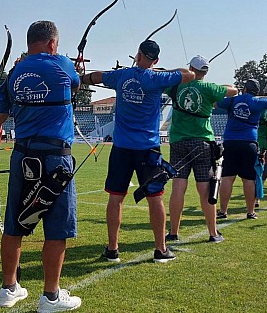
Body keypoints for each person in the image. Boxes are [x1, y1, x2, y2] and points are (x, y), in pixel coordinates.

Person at [0, 21, 81, 311]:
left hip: (22, 156)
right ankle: (51, 296)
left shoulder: (14, 74)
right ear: (52, 43)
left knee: (14, 224)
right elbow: (75, 83)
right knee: (57, 228)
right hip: (55, 158)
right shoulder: (61, 63)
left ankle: (8, 289)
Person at [80, 40, 195, 263]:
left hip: (122, 147)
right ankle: (160, 249)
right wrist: (157, 70)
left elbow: (95, 77)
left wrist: (80, 78)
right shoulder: (157, 78)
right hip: (147, 150)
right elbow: (188, 74)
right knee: (155, 198)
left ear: (137, 55)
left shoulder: (121, 75)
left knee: (116, 198)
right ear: (156, 60)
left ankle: (112, 249)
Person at [165, 55, 238, 243]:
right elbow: (233, 90)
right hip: (201, 143)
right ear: (205, 72)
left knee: (178, 187)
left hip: (179, 142)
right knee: (205, 188)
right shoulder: (208, 88)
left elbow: (161, 77)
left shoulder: (176, 85)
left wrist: (179, 71)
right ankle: (213, 233)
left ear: (191, 68)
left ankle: (173, 232)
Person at [216, 79, 267, 219]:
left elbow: (216, 100)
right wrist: (259, 97)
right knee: (248, 179)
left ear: (244, 88)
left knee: (227, 178)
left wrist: (232, 89)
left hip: (231, 141)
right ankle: (250, 212)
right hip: (249, 142)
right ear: (257, 91)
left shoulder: (234, 100)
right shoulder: (257, 101)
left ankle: (223, 211)